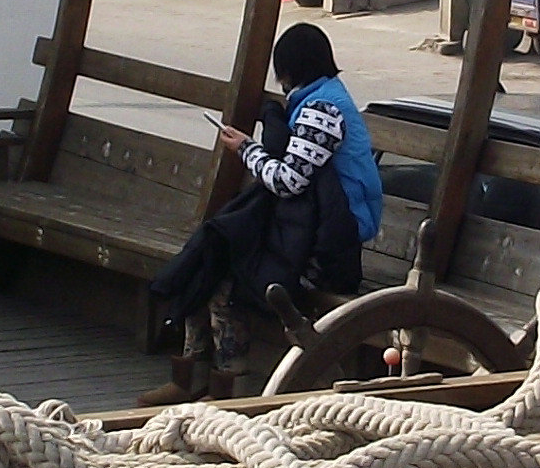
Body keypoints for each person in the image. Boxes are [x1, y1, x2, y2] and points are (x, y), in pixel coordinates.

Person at [140, 22, 386, 401]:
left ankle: (228, 387)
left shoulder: (323, 110)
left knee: (230, 282)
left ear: (288, 69)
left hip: (328, 246)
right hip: (305, 232)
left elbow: (289, 180)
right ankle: (193, 377)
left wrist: (245, 150)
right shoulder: (319, 97)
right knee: (210, 258)